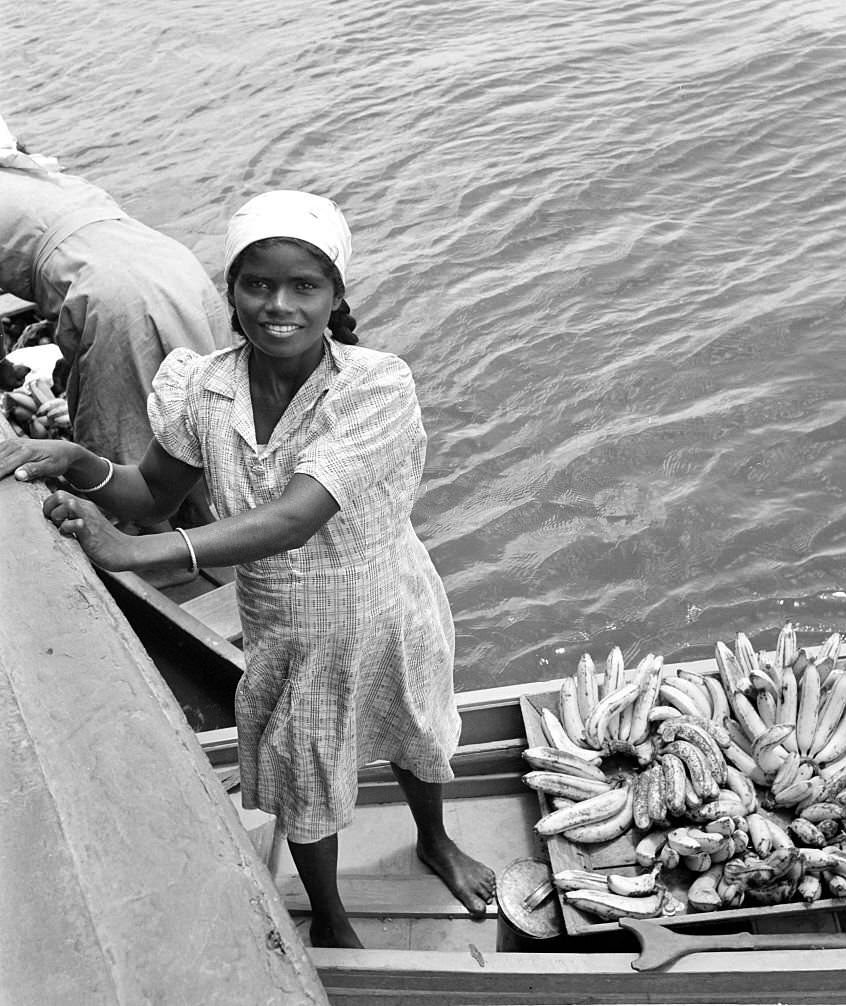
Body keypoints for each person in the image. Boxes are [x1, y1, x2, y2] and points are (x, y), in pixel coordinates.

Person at [0, 189, 496, 948]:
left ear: (336, 297)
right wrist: (78, 462)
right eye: (257, 283)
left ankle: (435, 840)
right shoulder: (200, 385)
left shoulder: (373, 386)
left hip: (388, 606)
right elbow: (153, 489)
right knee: (304, 782)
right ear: (230, 290)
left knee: (418, 733)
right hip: (287, 633)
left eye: (305, 286)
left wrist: (134, 551)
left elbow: (296, 517)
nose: (279, 305)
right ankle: (330, 917)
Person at [0, 113, 233, 476]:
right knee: (211, 427)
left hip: (113, 298)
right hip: (178, 270)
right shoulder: (41, 178)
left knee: (123, 462)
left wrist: (2, 370)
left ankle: (147, 532)